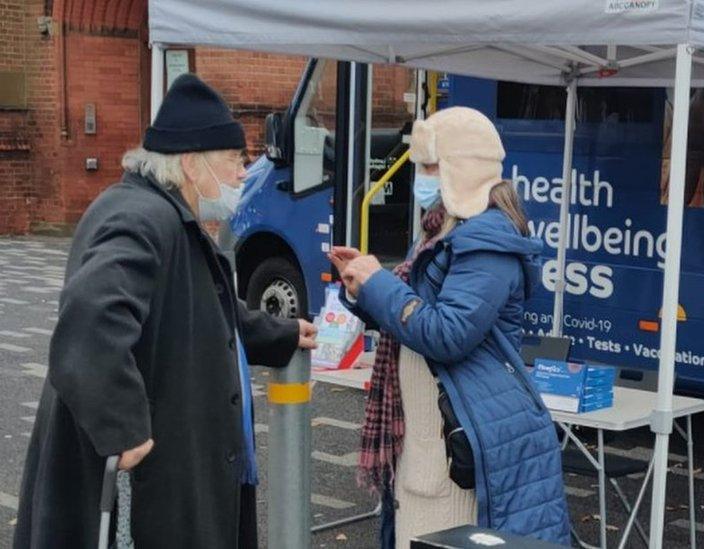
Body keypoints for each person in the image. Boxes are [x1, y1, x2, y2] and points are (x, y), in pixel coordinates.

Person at [14, 74, 317, 549]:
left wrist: (277, 333)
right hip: (153, 485)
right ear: (193, 164)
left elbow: (202, 306)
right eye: (236, 159)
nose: (245, 171)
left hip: (176, 474)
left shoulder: (167, 214)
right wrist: (122, 425)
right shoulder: (139, 216)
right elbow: (92, 318)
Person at [330, 106, 571, 548]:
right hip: (429, 444)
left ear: (462, 169)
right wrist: (362, 287)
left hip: (453, 449)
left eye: (427, 166)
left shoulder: (485, 244)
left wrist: (379, 283)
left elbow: (446, 334)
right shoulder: (443, 230)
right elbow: (410, 320)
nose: (418, 177)